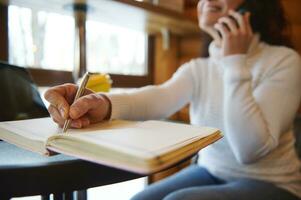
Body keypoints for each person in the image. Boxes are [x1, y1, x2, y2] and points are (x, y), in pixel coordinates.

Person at [44, 0, 301, 199]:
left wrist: (234, 62)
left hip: (274, 183)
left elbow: (249, 150)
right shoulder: (199, 68)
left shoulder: (285, 61)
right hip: (211, 171)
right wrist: (100, 102)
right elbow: (157, 98)